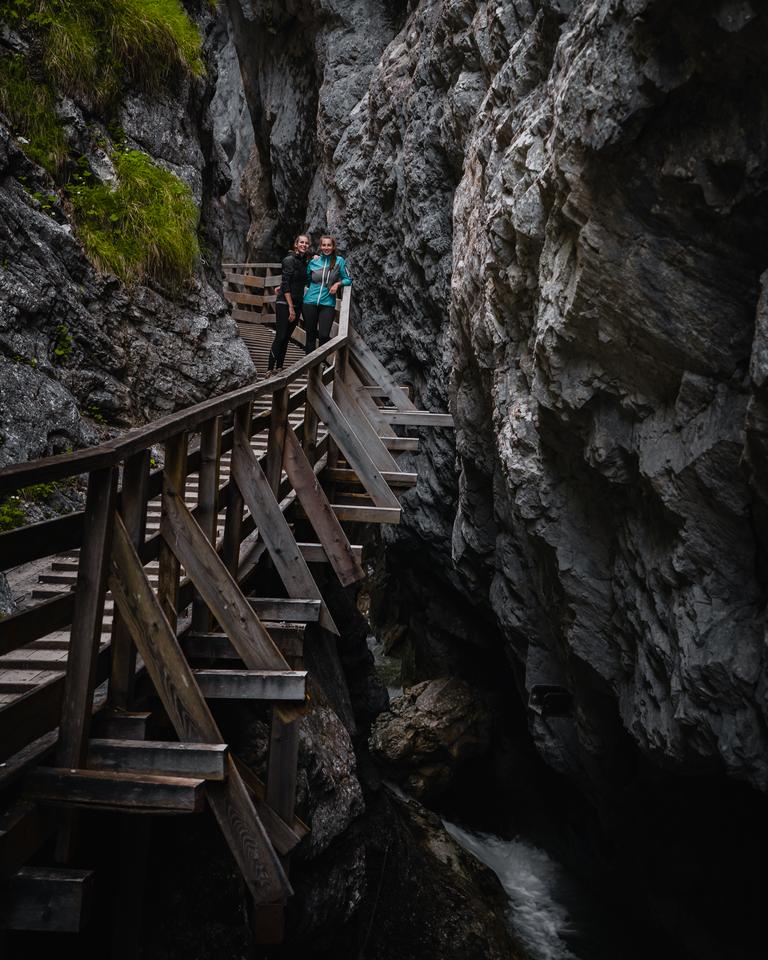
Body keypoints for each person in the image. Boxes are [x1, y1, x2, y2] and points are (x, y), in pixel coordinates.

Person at [266, 233, 310, 376]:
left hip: (297, 303)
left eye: (306, 243)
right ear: (296, 244)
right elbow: (286, 283)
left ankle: (279, 367)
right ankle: (269, 369)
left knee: (286, 338)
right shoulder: (289, 259)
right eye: (301, 242)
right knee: (280, 336)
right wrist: (290, 307)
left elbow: (296, 281)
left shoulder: (303, 262)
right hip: (285, 303)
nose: (304, 245)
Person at [303, 235, 352, 354]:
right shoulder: (314, 262)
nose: (326, 248)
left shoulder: (339, 261)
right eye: (324, 245)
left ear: (333, 247)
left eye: (329, 245)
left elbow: (348, 279)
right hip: (309, 302)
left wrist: (337, 284)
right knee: (310, 335)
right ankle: (310, 364)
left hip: (327, 303)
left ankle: (323, 362)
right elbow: (305, 279)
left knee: (324, 335)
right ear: (320, 247)